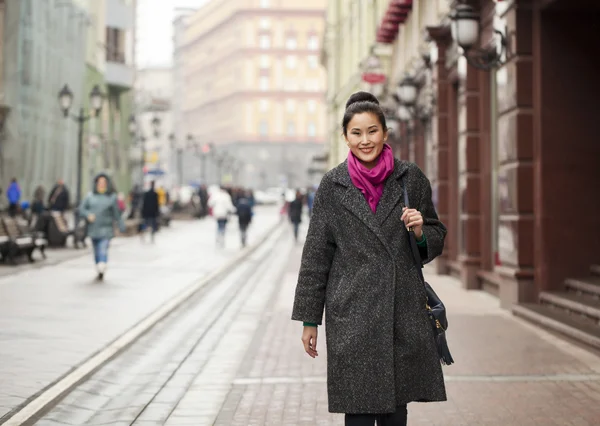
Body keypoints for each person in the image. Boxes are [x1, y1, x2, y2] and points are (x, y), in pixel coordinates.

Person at [291, 92, 447, 426]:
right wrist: (309, 320)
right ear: (345, 137)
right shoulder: (333, 185)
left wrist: (421, 232)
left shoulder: (410, 178)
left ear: (385, 133)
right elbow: (317, 254)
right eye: (357, 133)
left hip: (400, 309)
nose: (366, 140)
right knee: (358, 412)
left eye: (372, 131)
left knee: (395, 409)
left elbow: (436, 236)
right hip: (352, 312)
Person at [78, 173, 125, 281]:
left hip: (106, 229)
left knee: (103, 248)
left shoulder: (111, 198)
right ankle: (99, 268)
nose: (101, 184)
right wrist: (88, 214)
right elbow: (81, 209)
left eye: (104, 182)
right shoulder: (90, 196)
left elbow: (116, 214)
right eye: (100, 182)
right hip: (93, 229)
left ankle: (102, 265)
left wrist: (121, 225)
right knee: (96, 250)